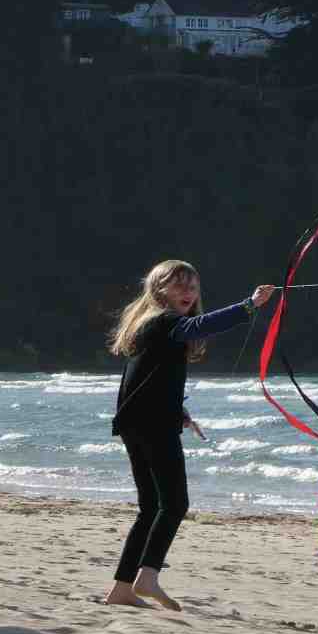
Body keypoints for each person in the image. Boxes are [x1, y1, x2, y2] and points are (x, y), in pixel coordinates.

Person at [104, 259, 274, 610]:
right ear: (158, 289)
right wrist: (249, 305)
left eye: (193, 287)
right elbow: (201, 325)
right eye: (179, 285)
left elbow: (142, 380)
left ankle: (122, 588)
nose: (188, 292)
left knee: (150, 507)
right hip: (150, 425)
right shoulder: (166, 321)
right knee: (175, 503)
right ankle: (147, 577)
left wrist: (179, 413)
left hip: (137, 423)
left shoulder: (150, 325)